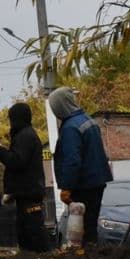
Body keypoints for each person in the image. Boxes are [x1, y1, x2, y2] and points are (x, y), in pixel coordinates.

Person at [47, 86, 113, 245]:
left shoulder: (70, 128)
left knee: (80, 228)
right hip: (96, 182)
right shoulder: (87, 120)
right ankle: (92, 258)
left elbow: (72, 160)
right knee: (90, 226)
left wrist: (67, 187)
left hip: (83, 186)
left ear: (60, 106)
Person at [0, 102, 50, 252]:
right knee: (25, 235)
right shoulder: (24, 135)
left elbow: (16, 162)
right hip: (25, 194)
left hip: (29, 195)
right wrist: (12, 193)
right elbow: (21, 169)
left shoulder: (25, 136)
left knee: (34, 235)